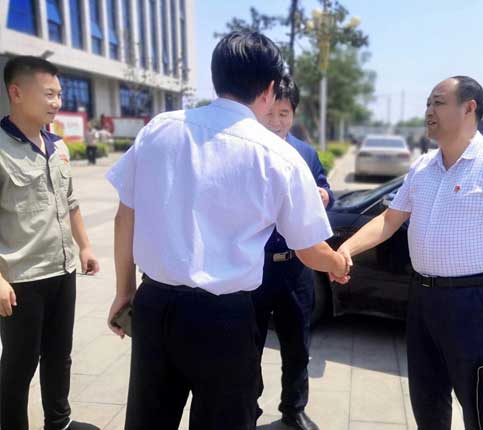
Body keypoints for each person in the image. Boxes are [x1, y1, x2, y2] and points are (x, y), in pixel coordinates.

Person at [105, 31, 349, 430]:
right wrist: (337, 264)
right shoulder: (279, 156)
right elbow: (309, 249)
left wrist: (124, 291)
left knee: (149, 420)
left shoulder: (159, 129)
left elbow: (124, 218)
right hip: (225, 317)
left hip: (155, 305)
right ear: (269, 90)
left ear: (216, 76)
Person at [332, 76, 483, 430]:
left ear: (469, 108)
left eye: (438, 102)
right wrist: (346, 249)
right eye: (428, 103)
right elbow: (390, 219)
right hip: (422, 298)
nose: (429, 111)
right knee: (426, 397)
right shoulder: (423, 166)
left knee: (478, 402)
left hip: (471, 302)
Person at [0, 56, 100, 430]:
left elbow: (70, 202)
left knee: (60, 354)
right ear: (16, 93)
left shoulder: (58, 147)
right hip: (21, 278)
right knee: (20, 363)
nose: (57, 102)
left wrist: (85, 247)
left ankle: (59, 422)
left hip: (62, 269)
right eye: (49, 94)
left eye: (59, 94)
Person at [255, 75, 333, 430]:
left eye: (283, 114)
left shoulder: (305, 153)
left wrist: (324, 195)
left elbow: (324, 188)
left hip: (296, 265)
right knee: (249, 342)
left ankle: (294, 408)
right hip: (254, 266)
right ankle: (249, 408)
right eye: (270, 114)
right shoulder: (248, 150)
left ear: (294, 114)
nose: (276, 122)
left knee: (298, 342)